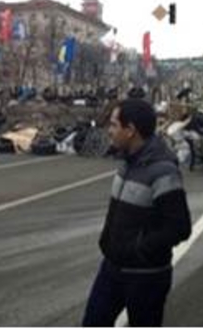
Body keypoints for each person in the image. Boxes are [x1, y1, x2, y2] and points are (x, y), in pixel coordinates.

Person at [82, 98, 192, 327]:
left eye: (113, 125)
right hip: (112, 267)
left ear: (130, 130)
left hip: (146, 276)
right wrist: (108, 242)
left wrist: (139, 249)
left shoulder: (163, 171)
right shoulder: (127, 162)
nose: (109, 131)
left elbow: (179, 227)